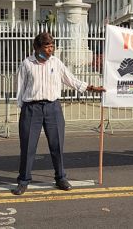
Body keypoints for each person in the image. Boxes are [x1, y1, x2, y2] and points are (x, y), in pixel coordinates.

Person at [13, 32, 105, 195]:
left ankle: (60, 178)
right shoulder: (27, 63)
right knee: (28, 147)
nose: (50, 50)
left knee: (57, 146)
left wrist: (91, 88)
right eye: (47, 46)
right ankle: (23, 180)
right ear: (37, 48)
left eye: (52, 46)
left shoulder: (56, 63)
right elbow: (20, 88)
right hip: (31, 109)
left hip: (52, 108)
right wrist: (23, 110)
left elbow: (72, 80)